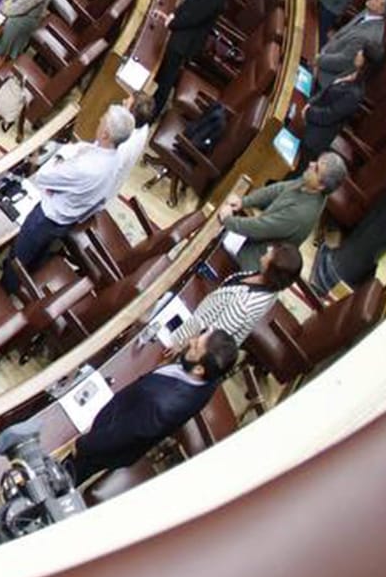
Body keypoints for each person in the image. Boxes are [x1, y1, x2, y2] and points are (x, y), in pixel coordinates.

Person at [70, 331, 239, 483]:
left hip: (103, 441)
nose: (191, 341)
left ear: (199, 369)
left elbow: (120, 435)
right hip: (126, 410)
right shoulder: (211, 378)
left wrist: (83, 444)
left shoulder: (161, 406)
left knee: (68, 473)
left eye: (195, 347)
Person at [2, 105, 133, 292]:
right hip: (67, 218)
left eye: (102, 120)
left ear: (105, 134)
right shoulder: (115, 159)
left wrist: (60, 158)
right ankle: (26, 276)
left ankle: (6, 289)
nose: (99, 120)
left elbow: (43, 177)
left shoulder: (86, 168)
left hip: (46, 218)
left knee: (19, 258)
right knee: (39, 253)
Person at [152, 0, 237, 116]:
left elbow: (195, 16)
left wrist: (172, 22)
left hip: (184, 40)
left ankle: (152, 113)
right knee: (163, 72)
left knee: (166, 78)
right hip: (184, 28)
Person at [219, 155, 345, 271]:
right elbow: (277, 189)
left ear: (321, 186)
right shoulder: (309, 183)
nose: (311, 164)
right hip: (251, 242)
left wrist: (228, 219)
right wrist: (244, 202)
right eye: (315, 161)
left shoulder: (301, 214)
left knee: (213, 236)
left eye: (316, 168)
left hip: (253, 262)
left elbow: (261, 228)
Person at [172, 244, 301, 349]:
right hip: (204, 315)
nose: (269, 249)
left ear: (272, 269)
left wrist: (181, 344)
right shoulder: (268, 282)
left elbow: (212, 336)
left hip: (195, 339)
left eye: (272, 253)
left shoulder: (244, 305)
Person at [299, 43, 376, 163]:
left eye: (361, 52)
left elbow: (329, 115)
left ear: (365, 61)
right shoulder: (351, 71)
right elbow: (326, 90)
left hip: (313, 137)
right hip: (310, 116)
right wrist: (309, 104)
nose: (358, 53)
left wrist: (308, 112)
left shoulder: (354, 95)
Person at [315, 0, 386, 91]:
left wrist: (317, 59)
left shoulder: (368, 36)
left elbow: (342, 61)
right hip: (326, 53)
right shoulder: (369, 10)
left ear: (381, 9)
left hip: (325, 77)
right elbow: (344, 31)